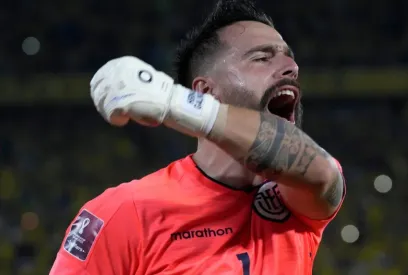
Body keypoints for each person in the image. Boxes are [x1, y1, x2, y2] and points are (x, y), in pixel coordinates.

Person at [49, 0, 346, 274]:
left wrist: (171, 101)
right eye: (262, 58)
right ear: (206, 92)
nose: (291, 67)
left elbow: (320, 173)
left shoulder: (293, 198)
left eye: (288, 58)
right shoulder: (125, 211)